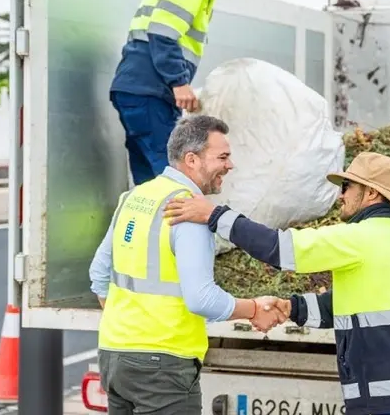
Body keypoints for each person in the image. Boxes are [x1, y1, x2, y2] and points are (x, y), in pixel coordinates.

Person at [163, 151, 390, 415]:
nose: (341, 195)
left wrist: (216, 215)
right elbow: (355, 304)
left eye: (347, 187)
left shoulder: (358, 237)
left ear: (372, 194)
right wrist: (290, 307)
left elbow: (280, 248)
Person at [88, 114, 285, 415]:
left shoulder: (134, 197)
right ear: (191, 159)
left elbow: (99, 273)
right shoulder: (188, 212)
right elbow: (201, 298)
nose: (229, 165)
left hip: (115, 356)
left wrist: (129, 331)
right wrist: (254, 309)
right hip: (162, 366)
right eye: (223, 157)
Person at [110, 0, 219, 186]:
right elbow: (163, 34)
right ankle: (176, 217)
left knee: (148, 178)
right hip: (151, 90)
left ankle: (151, 217)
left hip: (133, 88)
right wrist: (178, 82)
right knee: (174, 172)